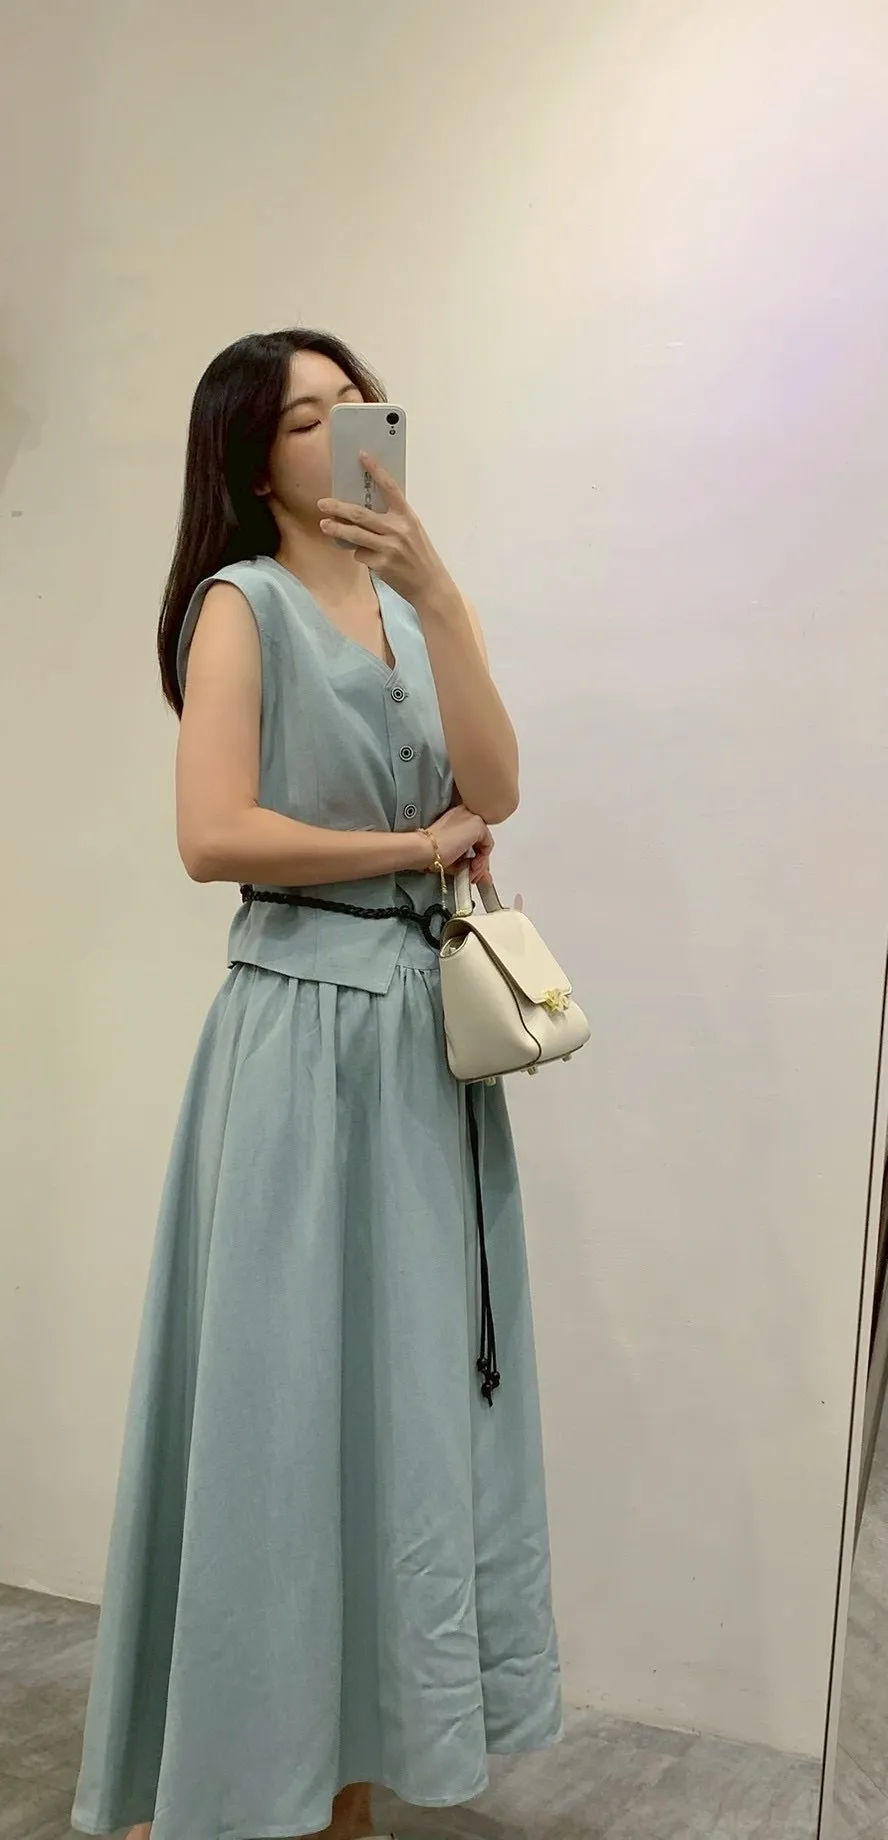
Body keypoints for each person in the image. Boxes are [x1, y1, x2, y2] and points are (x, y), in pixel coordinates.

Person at [71, 327, 562, 1840]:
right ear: (250, 457)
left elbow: (499, 783)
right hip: (298, 1033)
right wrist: (412, 847)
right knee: (282, 1411)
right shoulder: (241, 606)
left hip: (420, 1044)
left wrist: (442, 593)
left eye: (359, 402)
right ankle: (236, 1775)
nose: (347, 427)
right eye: (308, 415)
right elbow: (212, 835)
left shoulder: (409, 612)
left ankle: (342, 1780)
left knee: (395, 1408)